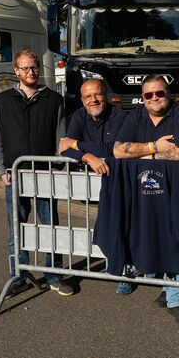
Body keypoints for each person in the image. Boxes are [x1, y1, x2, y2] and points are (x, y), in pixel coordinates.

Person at [112, 74, 179, 324]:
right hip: (143, 194)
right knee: (150, 237)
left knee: (176, 239)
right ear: (142, 97)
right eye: (148, 94)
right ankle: (164, 286)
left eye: (159, 93)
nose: (154, 98)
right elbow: (118, 150)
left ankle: (177, 299)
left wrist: (141, 157)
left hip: (175, 192)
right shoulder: (135, 116)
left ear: (168, 93)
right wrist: (155, 147)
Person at [0, 48, 74, 297]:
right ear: (16, 71)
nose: (30, 72)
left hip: (45, 177)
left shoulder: (54, 100)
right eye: (25, 68)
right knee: (17, 229)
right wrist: (0, 170)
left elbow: (61, 138)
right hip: (15, 177)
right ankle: (18, 276)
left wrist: (57, 166)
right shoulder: (3, 101)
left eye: (34, 67)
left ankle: (53, 274)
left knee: (50, 227)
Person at [57, 78, 129, 293]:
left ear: (105, 95)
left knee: (120, 224)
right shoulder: (79, 115)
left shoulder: (119, 115)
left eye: (97, 94)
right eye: (87, 96)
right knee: (104, 225)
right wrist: (88, 156)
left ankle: (124, 271)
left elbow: (112, 148)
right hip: (91, 180)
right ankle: (116, 264)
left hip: (118, 181)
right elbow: (64, 149)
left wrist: (78, 144)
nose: (93, 100)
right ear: (82, 99)